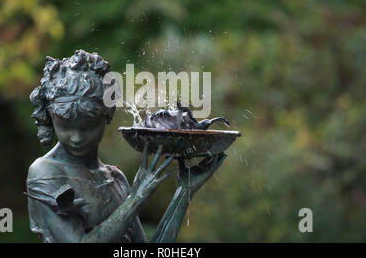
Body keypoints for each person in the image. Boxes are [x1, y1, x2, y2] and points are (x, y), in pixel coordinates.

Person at [26, 50, 228, 242]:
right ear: (52, 119)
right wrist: (136, 199)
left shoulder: (115, 179)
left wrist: (184, 192)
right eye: (65, 126)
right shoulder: (45, 172)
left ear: (108, 116)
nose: (76, 137)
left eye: (88, 127)